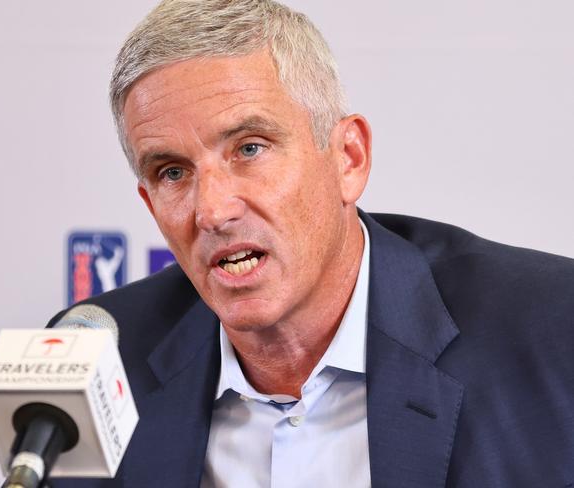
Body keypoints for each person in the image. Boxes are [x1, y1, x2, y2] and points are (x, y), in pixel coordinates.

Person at [49, 0, 574, 486]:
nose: (211, 210)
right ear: (149, 203)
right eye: (172, 172)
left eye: (249, 148)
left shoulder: (550, 329)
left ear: (348, 158)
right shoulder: (100, 360)